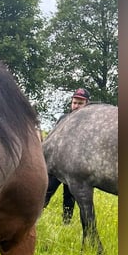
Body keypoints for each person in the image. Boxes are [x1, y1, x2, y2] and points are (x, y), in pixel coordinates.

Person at [44, 88, 90, 222]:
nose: (76, 106)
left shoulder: (89, 125)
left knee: (69, 197)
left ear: (87, 104)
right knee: (45, 192)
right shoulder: (62, 119)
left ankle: (66, 222)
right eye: (74, 102)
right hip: (56, 165)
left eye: (80, 103)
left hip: (74, 167)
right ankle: (34, 219)